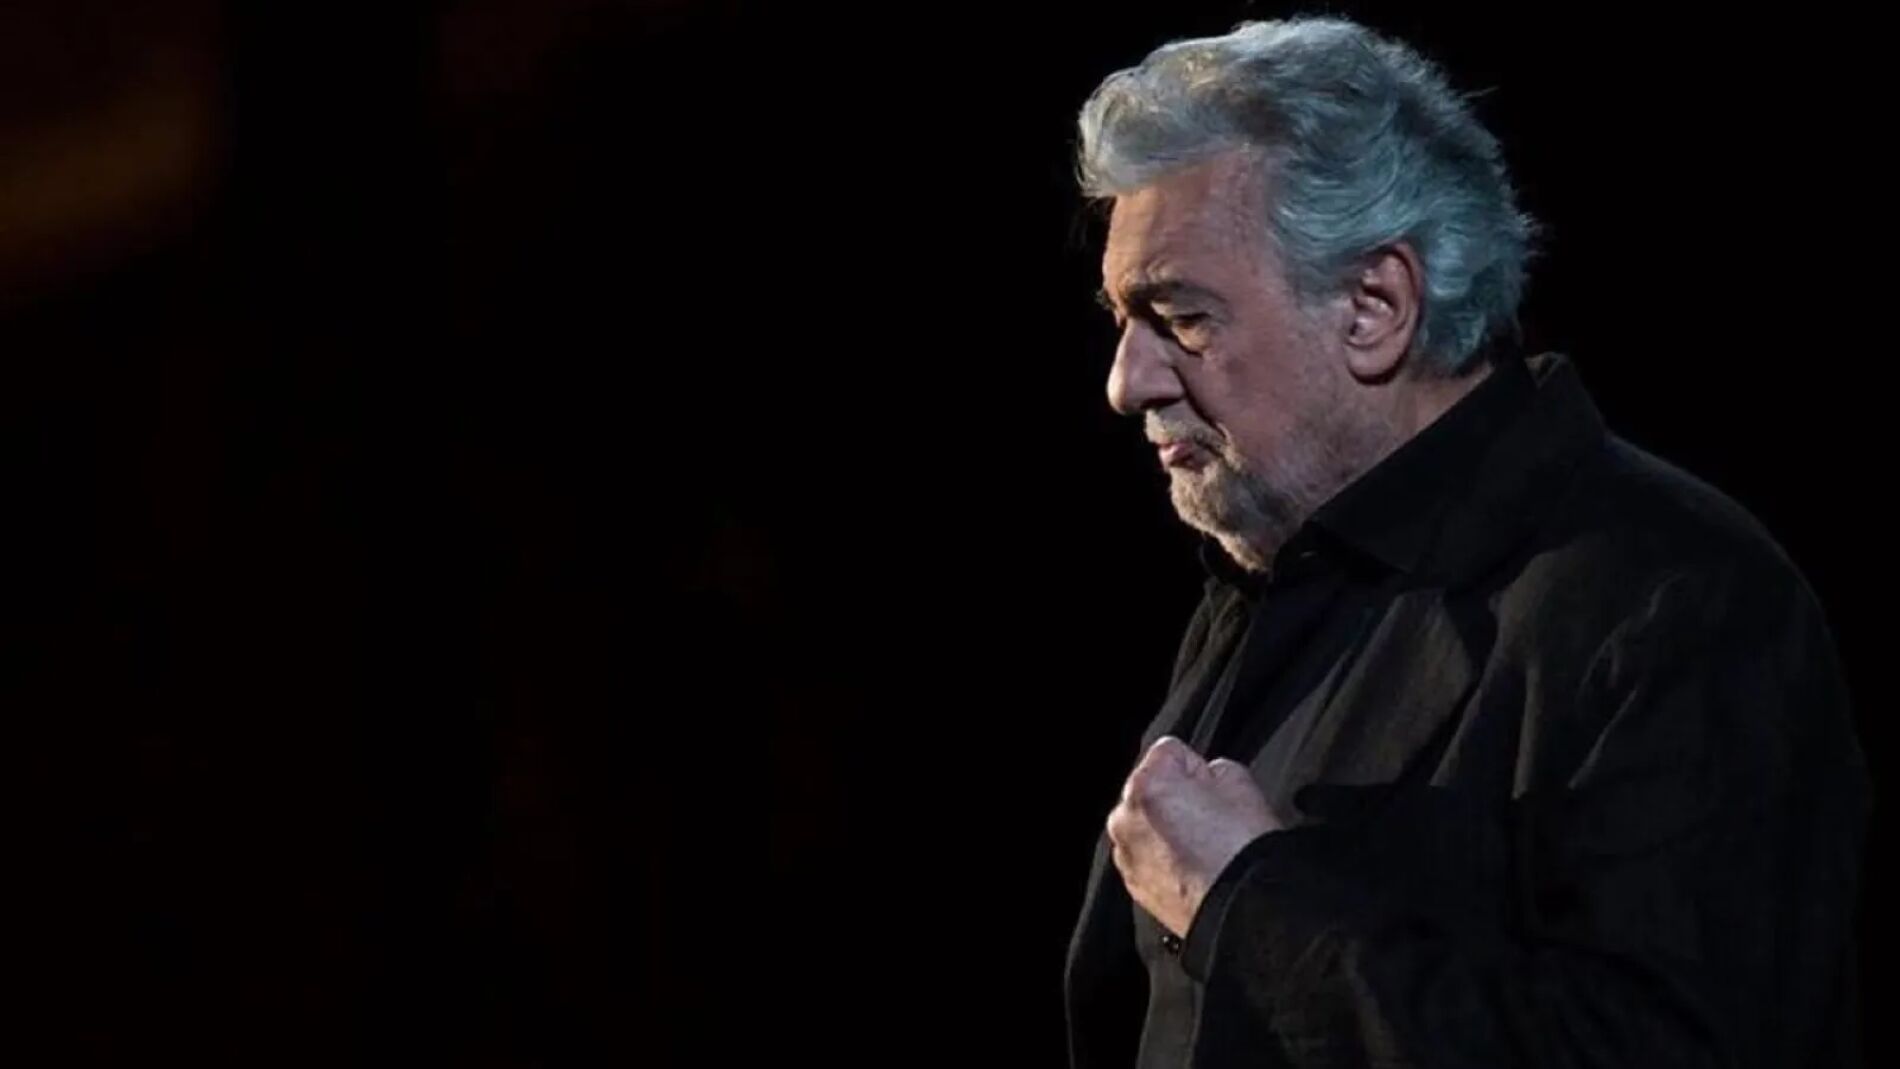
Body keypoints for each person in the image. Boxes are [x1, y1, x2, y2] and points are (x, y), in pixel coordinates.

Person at [1062, 17, 1869, 1069]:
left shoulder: (1680, 601)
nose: (1126, 383)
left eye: (1181, 317)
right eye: (1122, 320)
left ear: (1373, 306)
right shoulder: (1268, 567)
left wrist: (1253, 906)